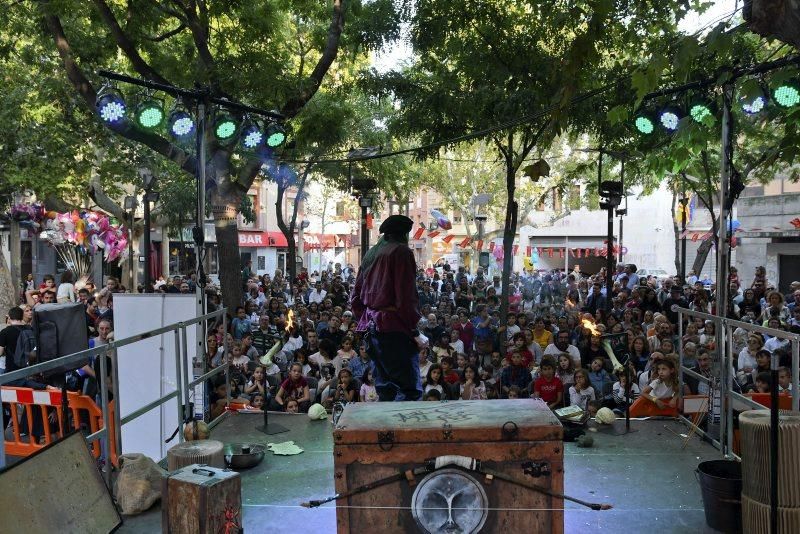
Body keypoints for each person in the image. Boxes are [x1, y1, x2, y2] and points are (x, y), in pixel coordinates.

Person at [351, 215, 423, 401]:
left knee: (385, 388)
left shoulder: (371, 254)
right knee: (408, 390)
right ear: (405, 234)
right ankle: (404, 430)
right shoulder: (401, 252)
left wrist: (366, 319)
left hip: (372, 328)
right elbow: (406, 297)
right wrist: (414, 330)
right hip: (395, 328)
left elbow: (356, 297)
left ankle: (385, 430)